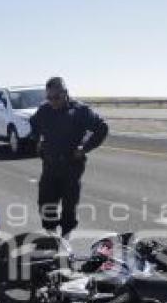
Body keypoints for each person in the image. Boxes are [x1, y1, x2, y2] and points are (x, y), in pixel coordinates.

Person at [29, 77, 108, 240]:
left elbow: (102, 128)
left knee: (69, 205)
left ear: (65, 93)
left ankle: (66, 240)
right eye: (49, 98)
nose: (52, 102)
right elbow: (34, 125)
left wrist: (84, 148)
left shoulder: (80, 111)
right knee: (45, 203)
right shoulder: (44, 110)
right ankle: (51, 237)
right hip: (50, 165)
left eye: (56, 97)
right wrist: (37, 141)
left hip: (71, 166)